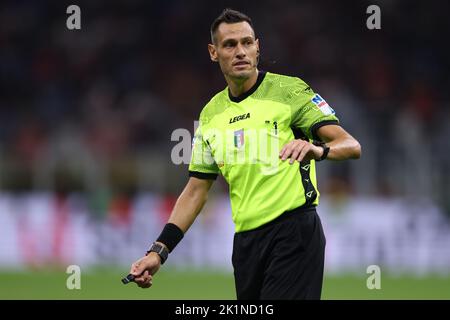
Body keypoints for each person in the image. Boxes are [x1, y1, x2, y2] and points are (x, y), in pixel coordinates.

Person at [128, 8, 361, 300]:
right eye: (230, 44)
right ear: (214, 52)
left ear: (257, 47)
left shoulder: (290, 92)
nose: (240, 51)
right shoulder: (211, 114)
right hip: (246, 244)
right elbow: (196, 190)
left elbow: (351, 145)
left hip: (294, 233)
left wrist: (318, 149)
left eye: (247, 43)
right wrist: (158, 252)